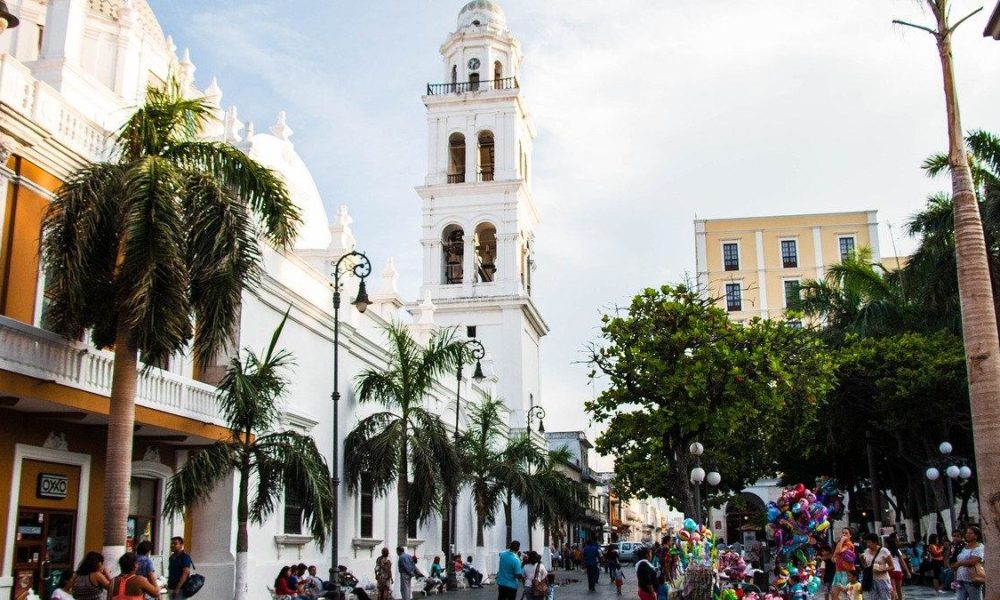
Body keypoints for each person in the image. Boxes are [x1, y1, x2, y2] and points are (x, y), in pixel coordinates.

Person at [951, 526, 985, 600]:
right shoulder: (963, 547)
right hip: (960, 579)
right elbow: (954, 560)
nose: (967, 535)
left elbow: (973, 561)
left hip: (973, 580)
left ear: (976, 536)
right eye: (966, 533)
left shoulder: (979, 547)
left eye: (970, 533)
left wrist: (959, 563)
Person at [862, 532, 894, 600]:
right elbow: (866, 566)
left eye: (869, 542)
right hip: (871, 580)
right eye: (867, 543)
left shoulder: (884, 551)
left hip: (883, 579)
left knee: (885, 598)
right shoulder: (866, 551)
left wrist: (882, 569)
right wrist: (862, 560)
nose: (868, 545)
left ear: (875, 542)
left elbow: (892, 566)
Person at [831, 528, 856, 600]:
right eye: (843, 533)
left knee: (847, 594)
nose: (844, 535)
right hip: (838, 571)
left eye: (846, 533)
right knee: (833, 594)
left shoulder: (849, 544)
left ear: (850, 535)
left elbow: (839, 551)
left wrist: (841, 540)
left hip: (846, 572)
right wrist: (834, 557)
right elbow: (834, 556)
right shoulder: (841, 543)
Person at [886, 533, 911, 600]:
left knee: (893, 590)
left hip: (890, 571)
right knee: (899, 590)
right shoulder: (897, 551)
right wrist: (908, 572)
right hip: (898, 572)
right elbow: (903, 562)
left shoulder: (886, 551)